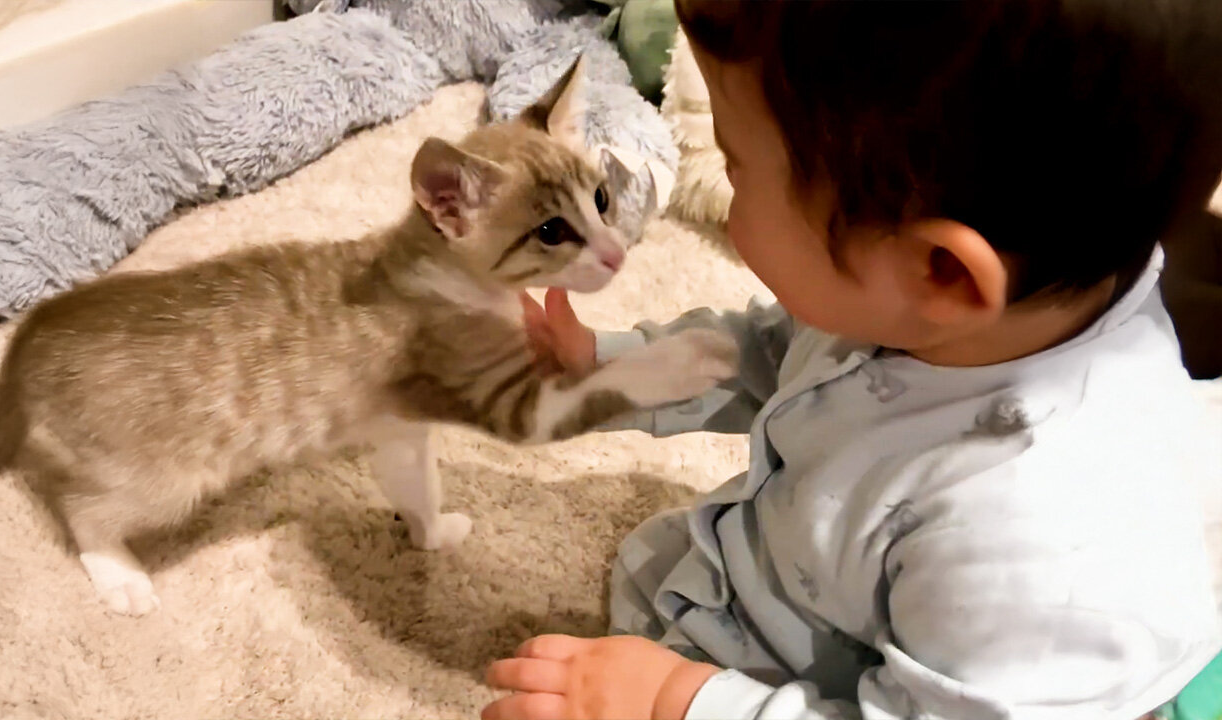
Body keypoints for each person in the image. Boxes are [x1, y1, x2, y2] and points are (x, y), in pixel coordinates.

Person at [482, 1, 1222, 718]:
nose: (727, 185)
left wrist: (675, 700)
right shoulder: (935, 308)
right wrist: (602, 364)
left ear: (943, 272)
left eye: (736, 166)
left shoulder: (1038, 555)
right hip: (790, 586)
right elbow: (772, 352)